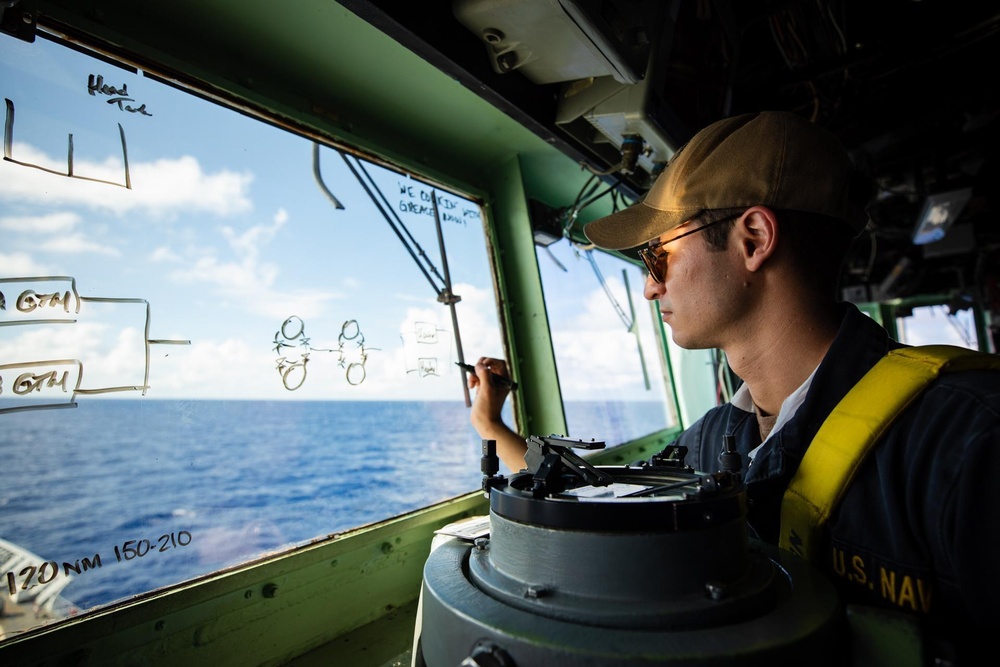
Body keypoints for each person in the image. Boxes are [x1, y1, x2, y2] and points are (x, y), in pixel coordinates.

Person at [465, 110, 999, 663]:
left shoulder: (967, 445)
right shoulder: (716, 435)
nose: (650, 288)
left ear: (754, 238)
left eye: (657, 255)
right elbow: (589, 494)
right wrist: (492, 425)